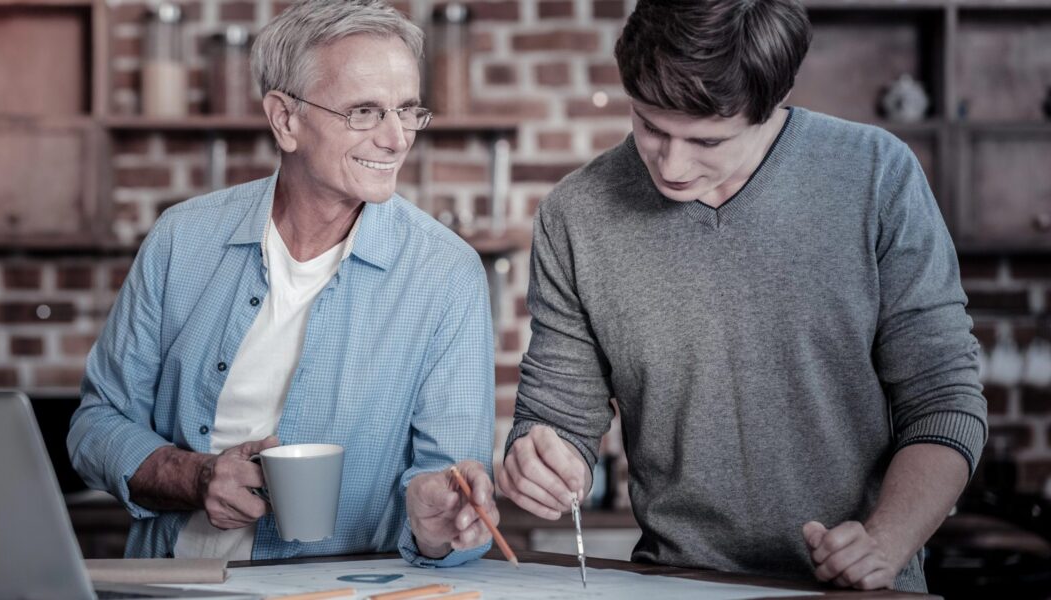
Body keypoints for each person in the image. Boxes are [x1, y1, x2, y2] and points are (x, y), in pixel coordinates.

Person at [497, 0, 986, 593]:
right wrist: (541, 458)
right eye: (650, 126)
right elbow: (556, 419)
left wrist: (885, 541)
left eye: (707, 140)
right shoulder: (576, 214)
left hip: (862, 590)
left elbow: (944, 403)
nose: (672, 165)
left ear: (769, 106)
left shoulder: (877, 177)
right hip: (678, 582)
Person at [68, 0, 497, 566]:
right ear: (285, 119)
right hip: (172, 584)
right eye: (365, 111)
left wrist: (438, 523)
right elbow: (95, 426)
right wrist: (196, 477)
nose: (397, 139)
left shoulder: (447, 276)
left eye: (409, 110)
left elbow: (453, 489)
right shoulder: (182, 241)